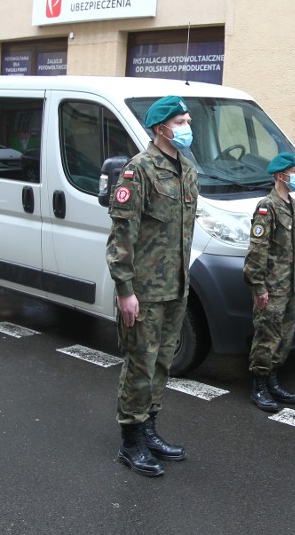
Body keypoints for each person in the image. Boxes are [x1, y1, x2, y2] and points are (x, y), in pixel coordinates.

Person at [106, 95, 199, 477]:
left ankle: (149, 429)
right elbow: (121, 237)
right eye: (180, 122)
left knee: (162, 363)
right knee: (139, 365)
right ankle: (130, 443)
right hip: (144, 291)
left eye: (187, 121)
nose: (187, 128)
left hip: (176, 287)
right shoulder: (138, 171)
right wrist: (125, 290)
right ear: (161, 128)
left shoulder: (187, 170)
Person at [245, 152, 295, 412]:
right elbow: (257, 251)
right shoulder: (266, 207)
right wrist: (259, 286)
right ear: (280, 176)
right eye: (294, 171)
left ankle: (272, 379)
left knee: (285, 335)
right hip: (270, 286)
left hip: (288, 284)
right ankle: (259, 386)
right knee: (267, 336)